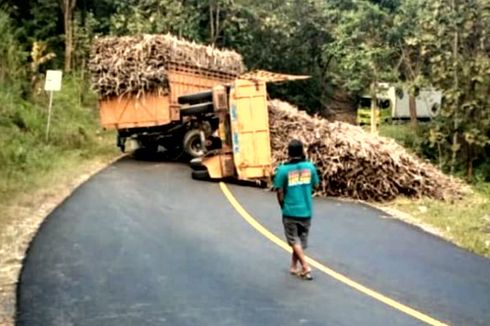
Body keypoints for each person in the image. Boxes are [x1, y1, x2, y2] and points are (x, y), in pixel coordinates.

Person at [273, 139, 320, 280]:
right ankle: (294, 267)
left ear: (289, 152)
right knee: (299, 240)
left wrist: (282, 206)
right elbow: (316, 185)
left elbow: (279, 191)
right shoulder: (310, 167)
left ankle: (305, 266)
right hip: (306, 211)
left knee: (293, 240)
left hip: (290, 210)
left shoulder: (283, 170)